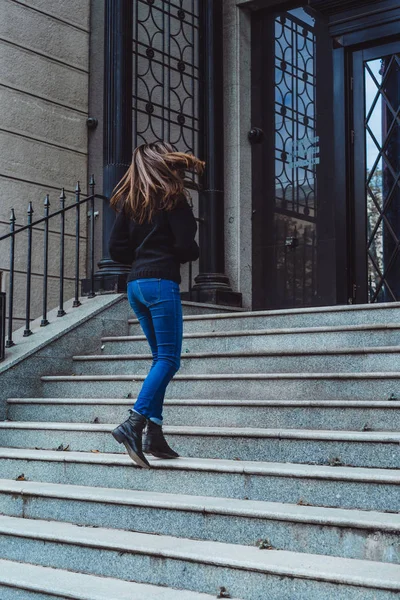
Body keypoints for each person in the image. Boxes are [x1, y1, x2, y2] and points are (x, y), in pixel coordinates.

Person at [108, 141, 204, 468]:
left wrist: (142, 253)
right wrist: (185, 251)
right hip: (161, 283)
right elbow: (184, 246)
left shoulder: (130, 202)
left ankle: (155, 433)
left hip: (136, 285)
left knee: (158, 359)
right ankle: (134, 423)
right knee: (169, 360)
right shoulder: (173, 199)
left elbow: (116, 248)